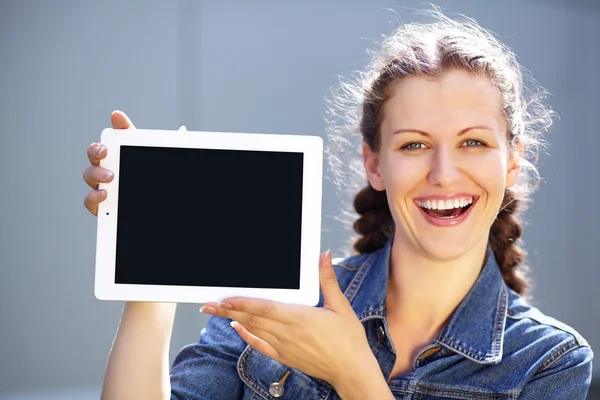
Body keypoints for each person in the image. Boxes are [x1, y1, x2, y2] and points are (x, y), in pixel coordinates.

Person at [82, 9, 593, 400]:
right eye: (414, 144)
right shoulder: (272, 306)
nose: (443, 172)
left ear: (512, 163)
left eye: (474, 143)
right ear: (375, 165)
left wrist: (353, 374)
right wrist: (149, 272)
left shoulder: (549, 362)